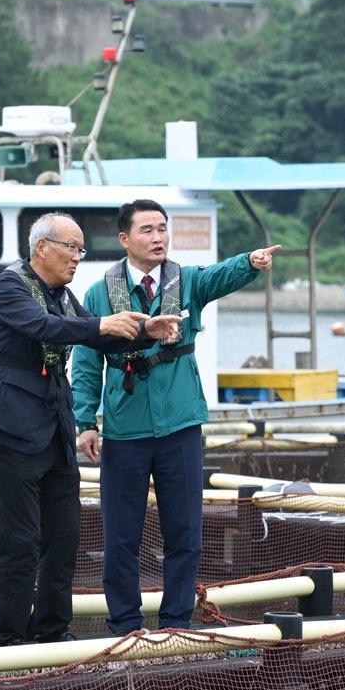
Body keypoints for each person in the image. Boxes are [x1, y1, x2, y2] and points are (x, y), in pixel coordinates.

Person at [72, 199, 279, 635]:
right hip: (126, 428)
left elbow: (219, 277)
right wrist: (86, 421)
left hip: (181, 425)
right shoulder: (99, 293)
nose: (159, 237)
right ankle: (125, 624)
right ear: (125, 239)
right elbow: (87, 363)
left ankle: (176, 622)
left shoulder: (185, 282)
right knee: (121, 536)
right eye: (147, 230)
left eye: (163, 228)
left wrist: (250, 263)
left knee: (184, 532)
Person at [0, 212, 180, 646]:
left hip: (53, 431)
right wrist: (101, 322)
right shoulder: (10, 285)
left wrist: (147, 330)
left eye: (81, 250)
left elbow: (96, 336)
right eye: (72, 248)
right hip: (11, 431)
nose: (77, 258)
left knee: (64, 538)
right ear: (42, 247)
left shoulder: (62, 294)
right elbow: (43, 327)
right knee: (20, 542)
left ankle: (53, 630)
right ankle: (8, 639)